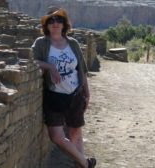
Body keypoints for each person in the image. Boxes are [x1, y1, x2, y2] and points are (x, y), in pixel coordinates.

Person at [31, 6, 96, 168]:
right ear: (46, 25)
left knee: (75, 132)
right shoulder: (42, 43)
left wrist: (87, 93)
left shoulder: (72, 43)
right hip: (54, 96)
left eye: (59, 20)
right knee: (56, 136)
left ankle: (80, 165)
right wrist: (50, 66)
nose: (55, 23)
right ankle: (85, 163)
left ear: (64, 24)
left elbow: (81, 69)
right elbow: (30, 61)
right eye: (51, 20)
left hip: (75, 94)